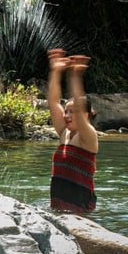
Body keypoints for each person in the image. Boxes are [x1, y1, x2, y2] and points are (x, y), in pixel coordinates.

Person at [47, 49, 99, 213]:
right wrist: (56, 71)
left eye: (73, 111)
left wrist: (75, 76)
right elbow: (53, 101)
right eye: (66, 111)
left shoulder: (88, 136)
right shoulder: (64, 133)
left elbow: (78, 100)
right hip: (58, 206)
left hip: (80, 207)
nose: (67, 115)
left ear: (86, 115)